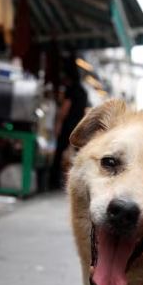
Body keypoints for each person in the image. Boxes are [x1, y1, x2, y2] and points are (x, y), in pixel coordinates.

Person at [48, 59, 89, 191]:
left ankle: (53, 181)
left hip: (67, 126)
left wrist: (58, 124)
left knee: (59, 153)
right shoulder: (83, 91)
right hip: (78, 126)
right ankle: (82, 182)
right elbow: (84, 112)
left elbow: (65, 109)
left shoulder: (70, 89)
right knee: (80, 155)